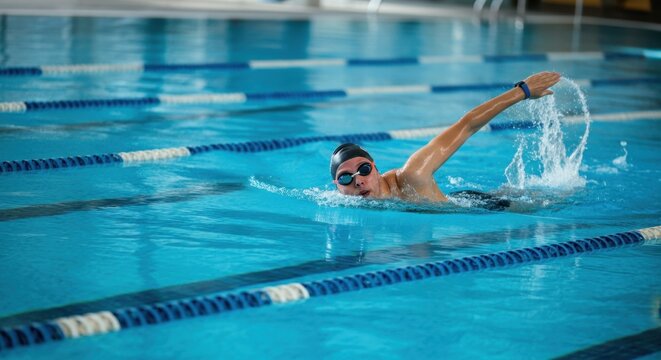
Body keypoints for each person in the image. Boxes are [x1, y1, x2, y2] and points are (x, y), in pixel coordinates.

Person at [329, 71, 561, 206]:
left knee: (554, 200)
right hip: (455, 199)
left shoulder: (412, 176)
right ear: (337, 188)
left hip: (486, 208)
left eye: (364, 170)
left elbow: (467, 125)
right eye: (346, 178)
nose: (358, 181)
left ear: (376, 168)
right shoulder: (350, 202)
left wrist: (523, 91)